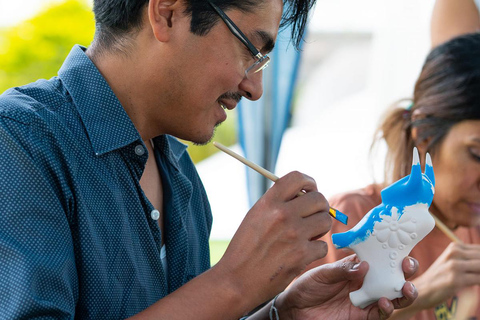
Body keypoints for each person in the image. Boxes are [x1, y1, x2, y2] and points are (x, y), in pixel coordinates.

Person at [0, 0, 419, 318]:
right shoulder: (21, 141)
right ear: (166, 14)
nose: (254, 88)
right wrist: (234, 282)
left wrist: (282, 313)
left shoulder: (181, 174)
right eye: (251, 50)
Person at [309, 32, 480, 320]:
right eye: (477, 154)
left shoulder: (473, 235)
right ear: (424, 136)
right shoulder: (349, 216)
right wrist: (419, 293)